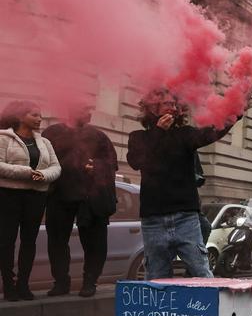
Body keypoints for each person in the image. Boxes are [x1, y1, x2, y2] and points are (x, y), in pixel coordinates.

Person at [126, 90, 239, 279]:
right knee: (156, 275)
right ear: (152, 108)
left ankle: (208, 308)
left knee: (201, 270)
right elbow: (136, 161)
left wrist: (236, 108)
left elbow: (212, 132)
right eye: (166, 104)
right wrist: (158, 132)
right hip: (153, 219)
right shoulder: (139, 137)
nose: (172, 107)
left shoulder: (185, 135)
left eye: (175, 104)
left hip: (185, 217)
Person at [42, 104, 118, 297]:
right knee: (57, 241)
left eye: (89, 109)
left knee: (95, 242)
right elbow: (42, 160)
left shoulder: (99, 136)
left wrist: (97, 166)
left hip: (90, 198)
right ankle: (61, 282)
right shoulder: (52, 133)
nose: (89, 113)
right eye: (83, 109)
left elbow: (112, 163)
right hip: (59, 195)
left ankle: (90, 281)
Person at [0, 101, 61, 301]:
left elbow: (56, 167)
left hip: (36, 196)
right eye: (34, 114)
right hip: (9, 194)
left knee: (29, 241)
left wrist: (43, 176)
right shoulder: (3, 137)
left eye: (40, 115)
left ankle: (23, 285)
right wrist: (27, 173)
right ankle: (8, 286)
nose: (39, 118)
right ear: (20, 116)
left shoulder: (44, 142)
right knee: (6, 241)